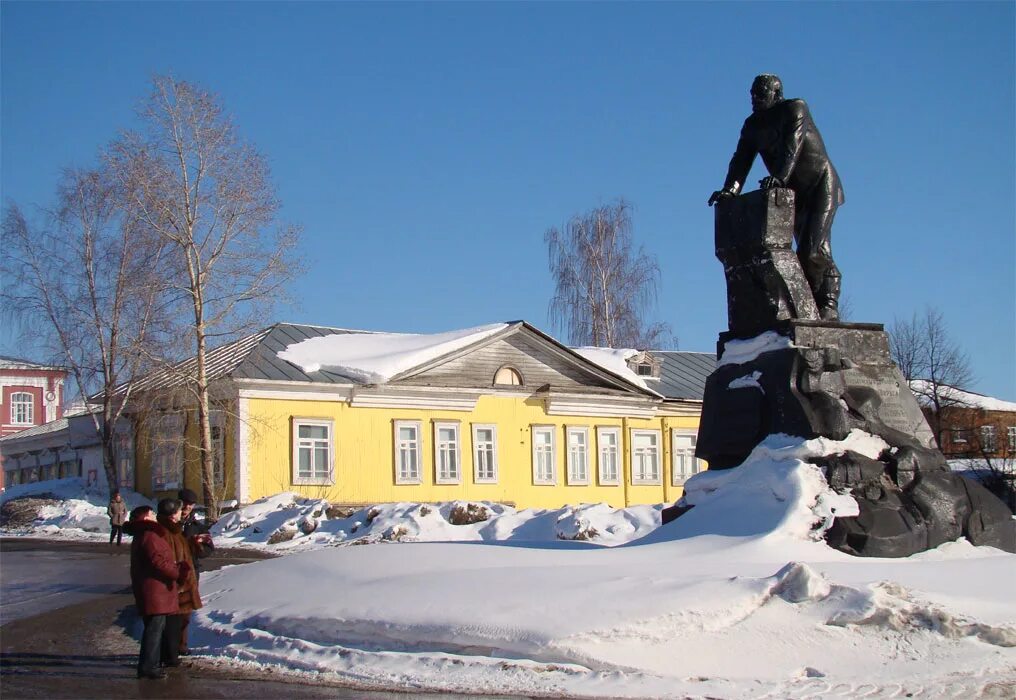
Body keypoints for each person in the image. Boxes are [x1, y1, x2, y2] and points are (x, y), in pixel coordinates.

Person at [708, 73, 845, 321]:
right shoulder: (752, 125)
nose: (754, 98)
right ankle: (814, 307)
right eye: (752, 94)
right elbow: (741, 160)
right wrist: (731, 189)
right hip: (792, 193)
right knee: (805, 253)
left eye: (760, 94)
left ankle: (828, 303)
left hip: (820, 185)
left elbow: (793, 145)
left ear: (776, 94)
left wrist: (780, 177)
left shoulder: (795, 108)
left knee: (813, 250)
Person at [125, 505, 189, 680]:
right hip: (155, 590)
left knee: (154, 628)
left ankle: (151, 664)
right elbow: (158, 562)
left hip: (153, 589)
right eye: (151, 513)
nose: (154, 516)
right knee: (154, 630)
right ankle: (149, 667)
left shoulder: (144, 535)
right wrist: (177, 571)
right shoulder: (149, 535)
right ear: (145, 518)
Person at [155, 498, 203, 664]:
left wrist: (194, 544)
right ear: (171, 515)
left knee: (180, 621)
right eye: (178, 511)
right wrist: (179, 574)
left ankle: (172, 653)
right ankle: (168, 655)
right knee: (171, 623)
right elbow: (167, 559)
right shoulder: (165, 532)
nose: (181, 513)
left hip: (182, 583)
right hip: (176, 584)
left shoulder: (175, 530)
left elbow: (183, 550)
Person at [176, 488, 213, 655]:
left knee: (185, 612)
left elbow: (208, 549)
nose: (187, 507)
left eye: (190, 505)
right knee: (169, 612)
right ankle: (168, 645)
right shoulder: (170, 523)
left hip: (190, 572)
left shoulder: (198, 527)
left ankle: (181, 645)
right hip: (170, 572)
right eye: (184, 504)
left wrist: (197, 546)